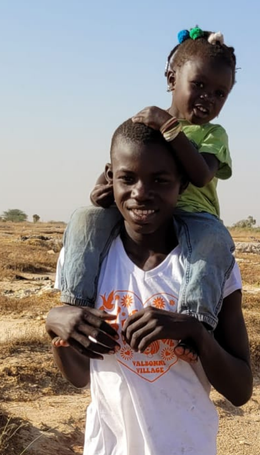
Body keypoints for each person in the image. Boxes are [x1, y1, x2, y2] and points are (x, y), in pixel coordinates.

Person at [46, 117, 252, 455]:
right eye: (128, 178)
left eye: (160, 179)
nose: (142, 193)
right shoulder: (90, 258)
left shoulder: (209, 269)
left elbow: (240, 388)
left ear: (182, 185)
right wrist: (61, 322)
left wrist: (193, 333)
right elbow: (75, 376)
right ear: (109, 180)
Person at [58, 26, 238, 348]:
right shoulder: (146, 123)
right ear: (171, 79)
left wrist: (169, 128)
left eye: (220, 93)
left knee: (215, 241)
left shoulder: (213, 135)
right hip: (143, 211)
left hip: (195, 220)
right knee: (84, 219)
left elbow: (199, 175)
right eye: (198, 85)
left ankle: (195, 323)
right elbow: (121, 165)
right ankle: (76, 305)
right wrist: (101, 189)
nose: (208, 98)